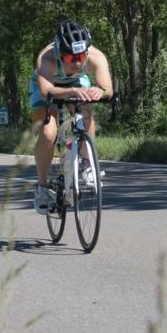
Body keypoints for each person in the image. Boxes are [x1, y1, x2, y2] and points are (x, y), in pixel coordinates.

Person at [29, 19, 113, 214]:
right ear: (60, 51)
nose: (77, 62)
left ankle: (85, 161)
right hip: (47, 87)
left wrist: (100, 92)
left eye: (81, 57)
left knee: (84, 111)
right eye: (70, 58)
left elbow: (108, 88)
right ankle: (42, 188)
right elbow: (46, 91)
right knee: (49, 133)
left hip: (75, 83)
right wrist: (73, 91)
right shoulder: (47, 57)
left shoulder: (96, 56)